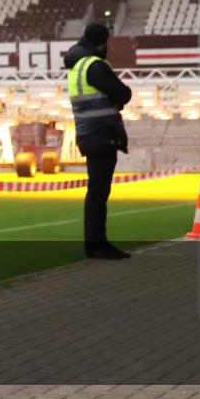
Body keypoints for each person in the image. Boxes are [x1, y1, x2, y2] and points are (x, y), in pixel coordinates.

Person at [64, 22, 133, 260]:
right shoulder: (94, 65)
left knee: (96, 191)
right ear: (102, 42)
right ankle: (97, 245)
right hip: (102, 134)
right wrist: (119, 99)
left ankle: (95, 244)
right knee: (98, 192)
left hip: (88, 133)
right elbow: (123, 93)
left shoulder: (76, 66)